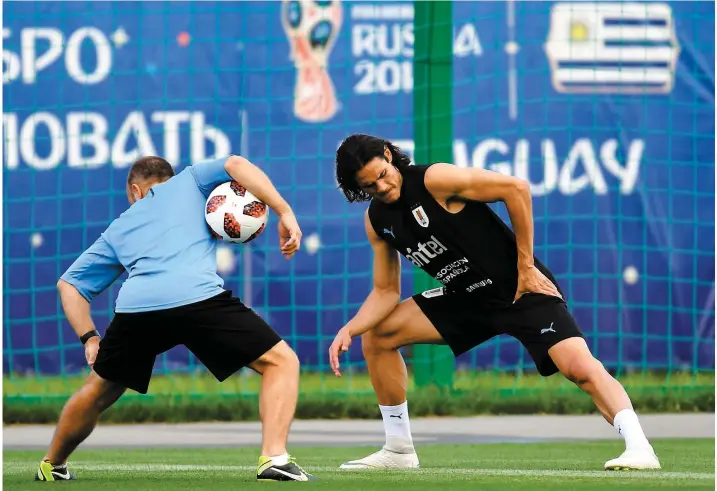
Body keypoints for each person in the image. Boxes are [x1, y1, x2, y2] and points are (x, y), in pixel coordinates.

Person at [328, 134, 660, 471]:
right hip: (467, 298)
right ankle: (399, 450)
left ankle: (639, 447)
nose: (381, 188)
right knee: (378, 335)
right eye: (370, 186)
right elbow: (385, 291)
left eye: (383, 175)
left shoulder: (435, 180)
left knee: (579, 368)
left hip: (521, 289)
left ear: (388, 155)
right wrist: (351, 328)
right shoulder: (377, 221)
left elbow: (516, 189)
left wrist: (527, 267)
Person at [35, 155, 315, 482]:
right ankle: (274, 458)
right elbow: (236, 163)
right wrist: (284, 212)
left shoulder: (119, 227)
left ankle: (50, 464)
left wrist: (90, 337)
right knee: (281, 362)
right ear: (169, 177)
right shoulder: (192, 180)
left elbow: (69, 285)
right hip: (196, 298)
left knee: (98, 390)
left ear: (135, 191)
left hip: (137, 311)